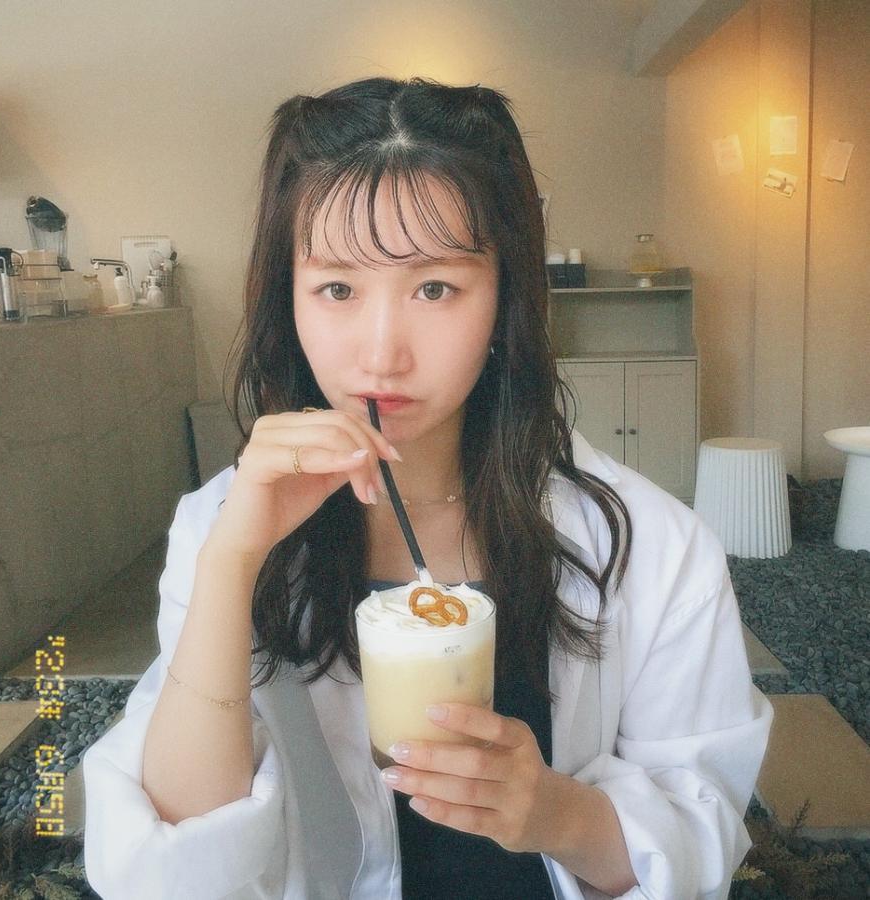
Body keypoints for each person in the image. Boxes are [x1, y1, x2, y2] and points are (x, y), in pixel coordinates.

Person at [82, 76, 774, 899]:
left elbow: (703, 832)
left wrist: (555, 812)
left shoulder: (653, 546)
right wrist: (232, 561)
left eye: (435, 288)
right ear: (288, 300)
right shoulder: (221, 526)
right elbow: (170, 871)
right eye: (338, 288)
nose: (382, 354)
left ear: (505, 298)